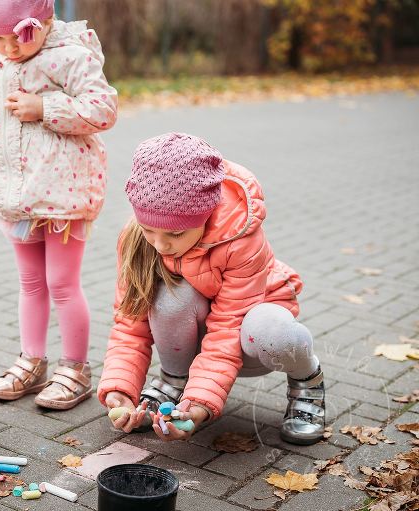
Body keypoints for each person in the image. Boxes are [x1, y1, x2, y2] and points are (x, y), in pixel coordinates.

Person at [98, 133, 325, 445]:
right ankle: (173, 381)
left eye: (176, 233)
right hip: (200, 334)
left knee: (277, 331)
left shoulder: (241, 241)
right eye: (149, 229)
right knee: (171, 299)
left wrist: (199, 406)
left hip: (249, 339)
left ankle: (307, 381)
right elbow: (129, 324)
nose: (161, 244)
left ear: (204, 217)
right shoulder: (136, 239)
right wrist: (118, 391)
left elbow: (227, 329)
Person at [0, 0, 118, 410]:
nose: (9, 49)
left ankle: (76, 368)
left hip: (63, 194)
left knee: (61, 284)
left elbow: (103, 109)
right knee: (30, 283)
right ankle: (32, 360)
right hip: (19, 194)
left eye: (18, 38)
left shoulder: (71, 56)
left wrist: (45, 108)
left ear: (45, 23)